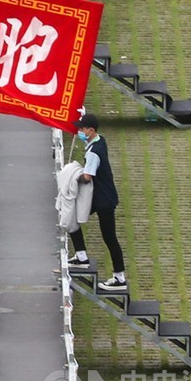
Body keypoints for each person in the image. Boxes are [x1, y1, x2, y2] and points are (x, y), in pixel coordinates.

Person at [67, 113, 127, 291]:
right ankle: (81, 256)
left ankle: (119, 278)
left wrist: (72, 176)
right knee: (74, 217)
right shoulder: (100, 141)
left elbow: (87, 176)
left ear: (91, 130)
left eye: (82, 128)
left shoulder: (94, 152)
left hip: (103, 200)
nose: (79, 131)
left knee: (109, 237)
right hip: (104, 196)